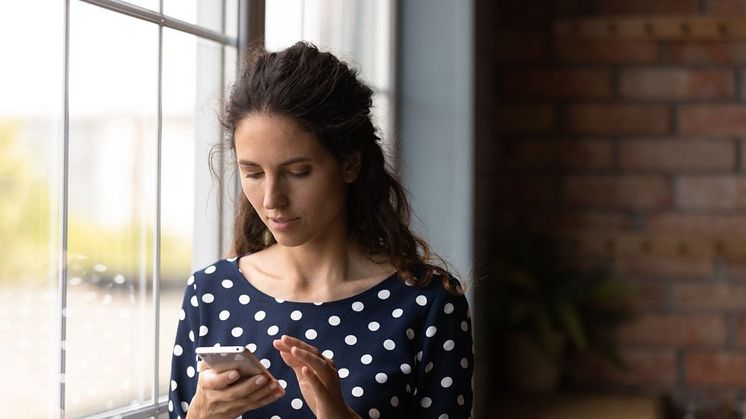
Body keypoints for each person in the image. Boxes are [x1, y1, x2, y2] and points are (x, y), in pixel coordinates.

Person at [168, 41, 474, 419]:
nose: (271, 199)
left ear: (349, 164)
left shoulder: (426, 303)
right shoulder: (210, 293)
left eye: (297, 172)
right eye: (253, 173)